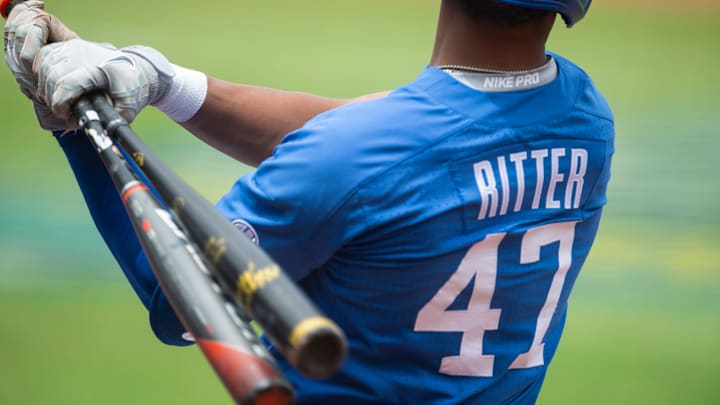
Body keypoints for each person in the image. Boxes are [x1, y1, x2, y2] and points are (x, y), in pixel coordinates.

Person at [4, 0, 614, 403]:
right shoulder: (585, 116)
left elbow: (177, 304)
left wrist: (78, 127)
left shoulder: (361, 154)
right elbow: (360, 135)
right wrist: (163, 80)